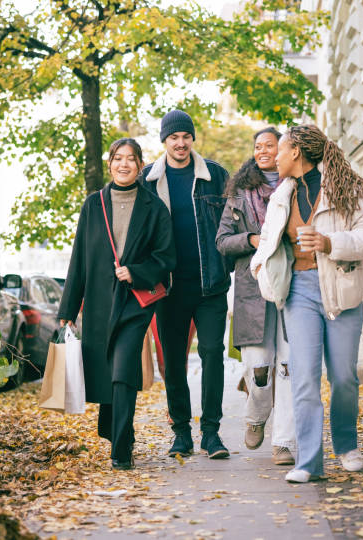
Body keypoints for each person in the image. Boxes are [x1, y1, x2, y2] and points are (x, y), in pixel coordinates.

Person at [250, 124, 363, 483]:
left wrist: (329, 243)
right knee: (304, 378)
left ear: (296, 153)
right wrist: (259, 265)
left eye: (280, 149)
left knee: (342, 377)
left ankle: (346, 445)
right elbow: (266, 240)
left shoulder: (347, 187)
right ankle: (308, 462)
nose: (274, 156)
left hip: (340, 287)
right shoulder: (282, 195)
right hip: (299, 291)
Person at [58, 138, 175, 470]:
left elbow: (166, 257)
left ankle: (121, 450)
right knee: (107, 372)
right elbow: (79, 258)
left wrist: (135, 272)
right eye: (118, 158)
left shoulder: (154, 208)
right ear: (110, 164)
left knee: (123, 371)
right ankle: (117, 431)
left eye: (131, 159)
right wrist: (68, 310)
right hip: (98, 302)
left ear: (140, 165)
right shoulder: (93, 205)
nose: (124, 164)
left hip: (134, 302)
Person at [142, 109, 231, 459]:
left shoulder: (215, 176)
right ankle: (181, 432)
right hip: (169, 288)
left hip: (210, 285)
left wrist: (228, 266)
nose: (180, 143)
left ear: (192, 139)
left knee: (212, 353)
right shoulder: (148, 179)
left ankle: (211, 433)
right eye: (173, 137)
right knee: (174, 361)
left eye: (186, 136)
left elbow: (233, 224)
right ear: (164, 140)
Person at [216, 127, 295, 464]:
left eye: (270, 145)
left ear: (283, 151)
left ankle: (284, 443)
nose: (263, 151)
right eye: (258, 146)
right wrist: (250, 240)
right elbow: (222, 241)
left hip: (294, 285)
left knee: (290, 368)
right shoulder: (239, 195)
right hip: (253, 288)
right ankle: (255, 417)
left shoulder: (297, 187)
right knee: (259, 370)